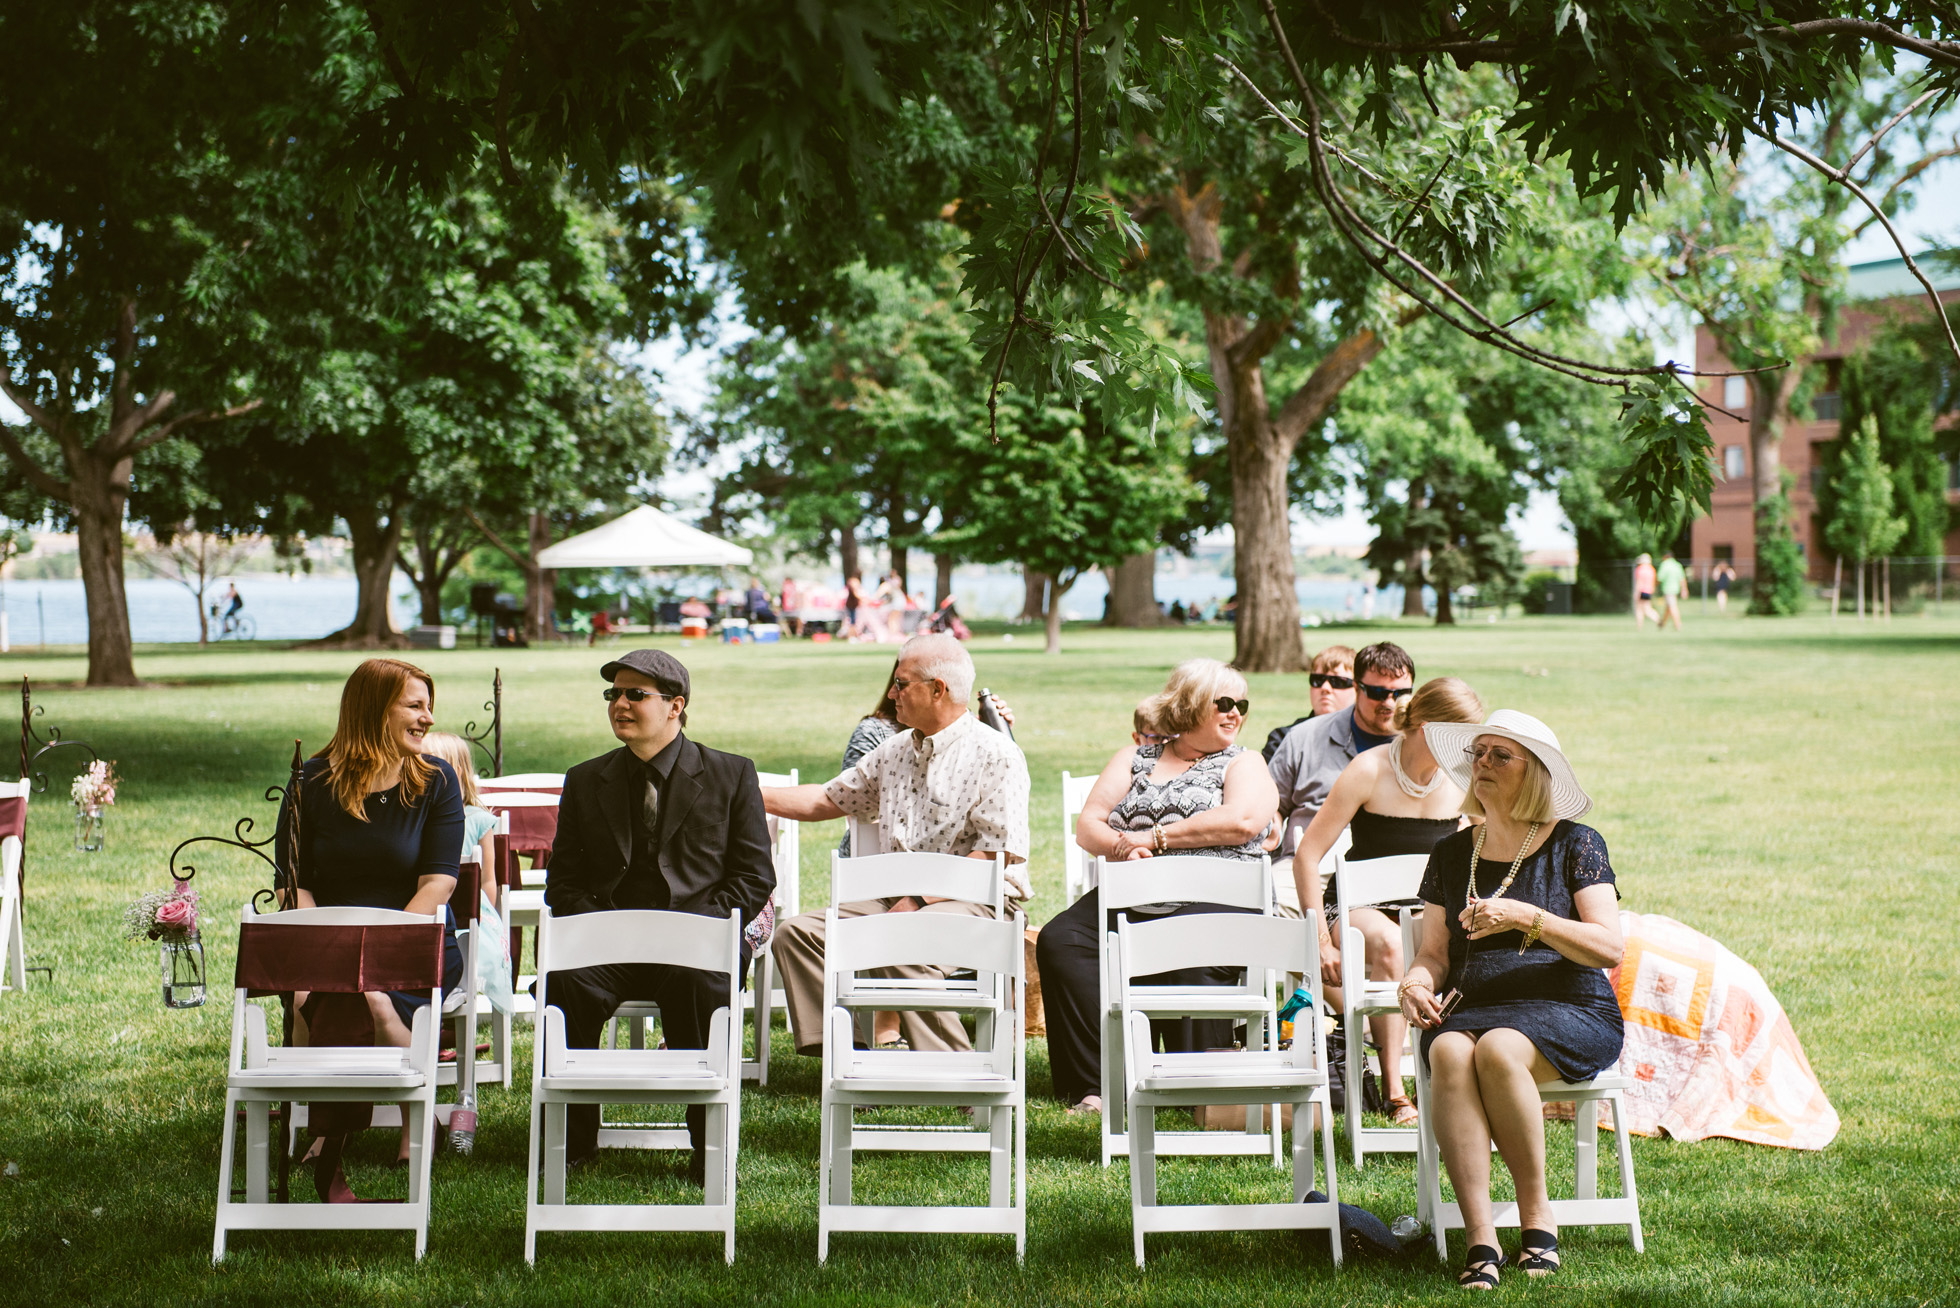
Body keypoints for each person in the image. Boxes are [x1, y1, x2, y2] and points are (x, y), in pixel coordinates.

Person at [1400, 710, 1624, 1289]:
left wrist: (1527, 916)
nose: (1483, 764)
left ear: (1536, 773)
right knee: (1448, 1051)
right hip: (1475, 1005)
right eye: (1478, 753)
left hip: (1569, 1005)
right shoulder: (1451, 853)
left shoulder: (1576, 843)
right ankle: (1481, 1238)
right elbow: (1434, 954)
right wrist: (1415, 983)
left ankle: (1537, 1219)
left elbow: (1608, 947)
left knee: (1499, 1049)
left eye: (1501, 755)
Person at [542, 650, 777, 1181]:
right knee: (565, 986)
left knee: (702, 989)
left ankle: (708, 1149)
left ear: (676, 706)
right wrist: (605, 928)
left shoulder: (731, 774)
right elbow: (564, 882)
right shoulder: (586, 779)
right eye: (614, 694)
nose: (619, 704)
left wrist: (695, 930)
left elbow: (753, 877)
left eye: (635, 694)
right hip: (608, 946)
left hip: (696, 946)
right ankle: (570, 1143)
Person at [762, 633, 1030, 1056]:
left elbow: (996, 852)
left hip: (977, 901)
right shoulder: (894, 751)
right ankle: (846, 1054)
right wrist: (748, 793)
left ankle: (955, 1071)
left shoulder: (995, 754)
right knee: (798, 934)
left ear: (938, 689)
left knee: (902, 937)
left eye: (901, 684)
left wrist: (919, 900)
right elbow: (825, 800)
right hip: (895, 901)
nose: (891, 693)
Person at [1034, 659, 1278, 1113]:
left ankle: (1191, 1086)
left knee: (1182, 948)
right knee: (1062, 939)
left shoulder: (1243, 762)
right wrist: (1123, 848)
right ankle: (1096, 1085)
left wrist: (1154, 838)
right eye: (1224, 703)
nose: (1235, 713)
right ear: (1189, 706)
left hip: (1216, 897)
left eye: (1242, 705)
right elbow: (1088, 825)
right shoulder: (1134, 759)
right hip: (1137, 893)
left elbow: (1243, 820)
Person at [275, 657, 465, 1201]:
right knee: (324, 997)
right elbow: (293, 883)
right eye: (415, 705)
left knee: (371, 999)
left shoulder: (435, 781)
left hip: (411, 939)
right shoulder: (310, 781)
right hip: (325, 940)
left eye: (429, 706)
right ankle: (352, 1120)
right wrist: (328, 952)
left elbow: (438, 884)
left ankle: (359, 1131)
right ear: (374, 710)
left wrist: (374, 954)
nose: (428, 718)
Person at [1284, 677, 1483, 1126]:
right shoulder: (1368, 770)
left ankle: (1466, 1078)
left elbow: (1490, 844)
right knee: (1392, 944)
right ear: (1430, 728)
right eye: (1464, 737)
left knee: (1472, 944)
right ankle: (1395, 1093)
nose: (1471, 750)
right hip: (1355, 909)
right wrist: (1320, 941)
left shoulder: (1461, 777)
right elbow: (1307, 856)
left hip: (1426, 910)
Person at [1267, 642, 1414, 861]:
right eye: (1378, 693)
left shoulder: (1421, 744)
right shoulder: (1303, 737)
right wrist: (1271, 828)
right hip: (1309, 863)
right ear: (1357, 688)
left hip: (1391, 867)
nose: (1389, 702)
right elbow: (1272, 806)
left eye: (1401, 693)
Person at [1261, 644, 1357, 763]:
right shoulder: (1282, 739)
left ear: (1357, 689)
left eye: (1337, 681)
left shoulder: (1367, 740)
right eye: (1318, 680)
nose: (1325, 688)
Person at [1656, 551, 1687, 631]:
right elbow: (1682, 579)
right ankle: (1662, 624)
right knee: (1669, 607)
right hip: (1676, 589)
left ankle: (1678, 625)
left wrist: (1654, 586)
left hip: (1668, 589)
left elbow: (1659, 578)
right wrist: (1684, 589)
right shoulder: (1677, 565)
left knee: (1673, 607)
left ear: (1665, 557)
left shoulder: (1664, 564)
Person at [1631, 553, 1659, 628]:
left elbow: (1639, 582)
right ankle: (1657, 619)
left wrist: (1636, 593)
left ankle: (1639, 626)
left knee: (1640, 609)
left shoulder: (1640, 569)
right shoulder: (1651, 569)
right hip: (1649, 591)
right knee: (1647, 608)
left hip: (1642, 591)